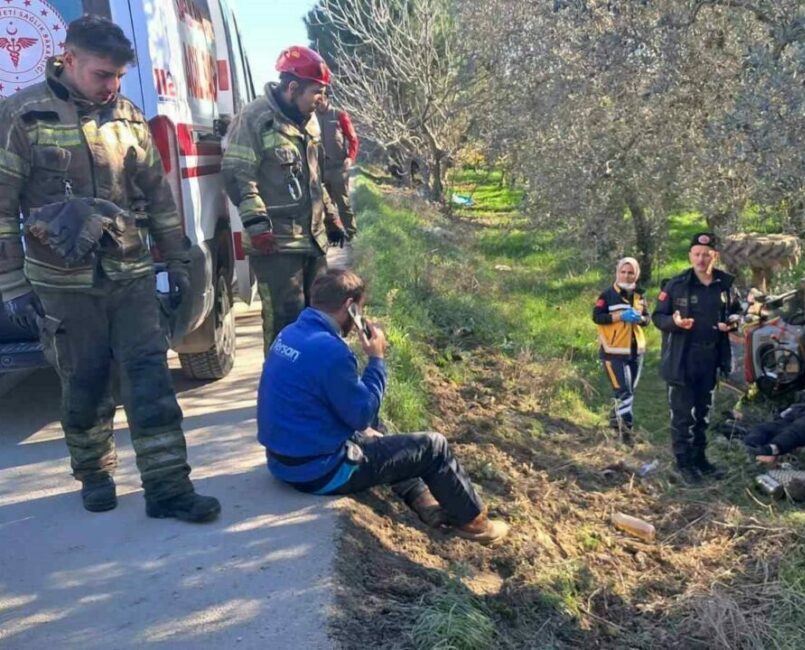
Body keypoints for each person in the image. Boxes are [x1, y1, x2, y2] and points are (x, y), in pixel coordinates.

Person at [0, 16, 219, 521]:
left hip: (130, 275)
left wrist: (178, 259)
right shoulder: (23, 116)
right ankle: (95, 473)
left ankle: (168, 488)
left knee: (150, 381)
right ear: (68, 59)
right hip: (63, 287)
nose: (112, 86)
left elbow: (157, 194)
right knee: (85, 384)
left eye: (119, 76)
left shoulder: (126, 115)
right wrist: (12, 284)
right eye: (103, 74)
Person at [256, 269, 509, 545]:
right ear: (350, 306)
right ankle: (474, 523)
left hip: (282, 462)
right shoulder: (331, 351)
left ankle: (422, 500)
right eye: (359, 309)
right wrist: (376, 360)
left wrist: (365, 428)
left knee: (381, 432)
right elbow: (363, 412)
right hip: (318, 472)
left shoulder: (289, 333)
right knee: (433, 447)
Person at [221, 45, 348, 353]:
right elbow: (238, 175)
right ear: (293, 88)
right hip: (276, 245)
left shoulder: (310, 122)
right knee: (285, 323)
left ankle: (311, 388)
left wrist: (331, 216)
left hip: (312, 241)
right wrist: (257, 226)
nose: (320, 101)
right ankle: (281, 392)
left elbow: (314, 179)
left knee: (318, 319)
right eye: (316, 92)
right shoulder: (254, 119)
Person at [652, 233, 743, 484]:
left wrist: (733, 323)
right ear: (690, 256)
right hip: (683, 357)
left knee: (703, 413)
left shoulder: (725, 285)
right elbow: (658, 317)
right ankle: (684, 464)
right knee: (683, 415)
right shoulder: (677, 284)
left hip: (711, 357)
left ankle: (700, 459)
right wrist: (675, 322)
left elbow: (737, 312)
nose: (701, 259)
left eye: (706, 255)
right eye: (697, 254)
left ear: (715, 256)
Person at [592, 257, 649, 444]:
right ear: (617, 273)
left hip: (635, 351)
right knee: (624, 392)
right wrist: (619, 316)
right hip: (613, 351)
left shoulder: (640, 296)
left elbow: (647, 320)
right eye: (623, 272)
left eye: (630, 272)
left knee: (628, 392)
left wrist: (640, 319)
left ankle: (613, 426)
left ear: (636, 274)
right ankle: (626, 433)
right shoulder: (607, 295)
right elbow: (597, 317)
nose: (626, 275)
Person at [316, 93, 360, 239]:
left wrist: (350, 158)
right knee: (323, 204)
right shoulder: (310, 117)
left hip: (338, 167)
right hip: (319, 168)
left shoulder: (339, 115)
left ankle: (351, 234)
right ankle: (331, 234)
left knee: (343, 202)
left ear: (327, 98)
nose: (319, 102)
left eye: (321, 99)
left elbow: (353, 139)